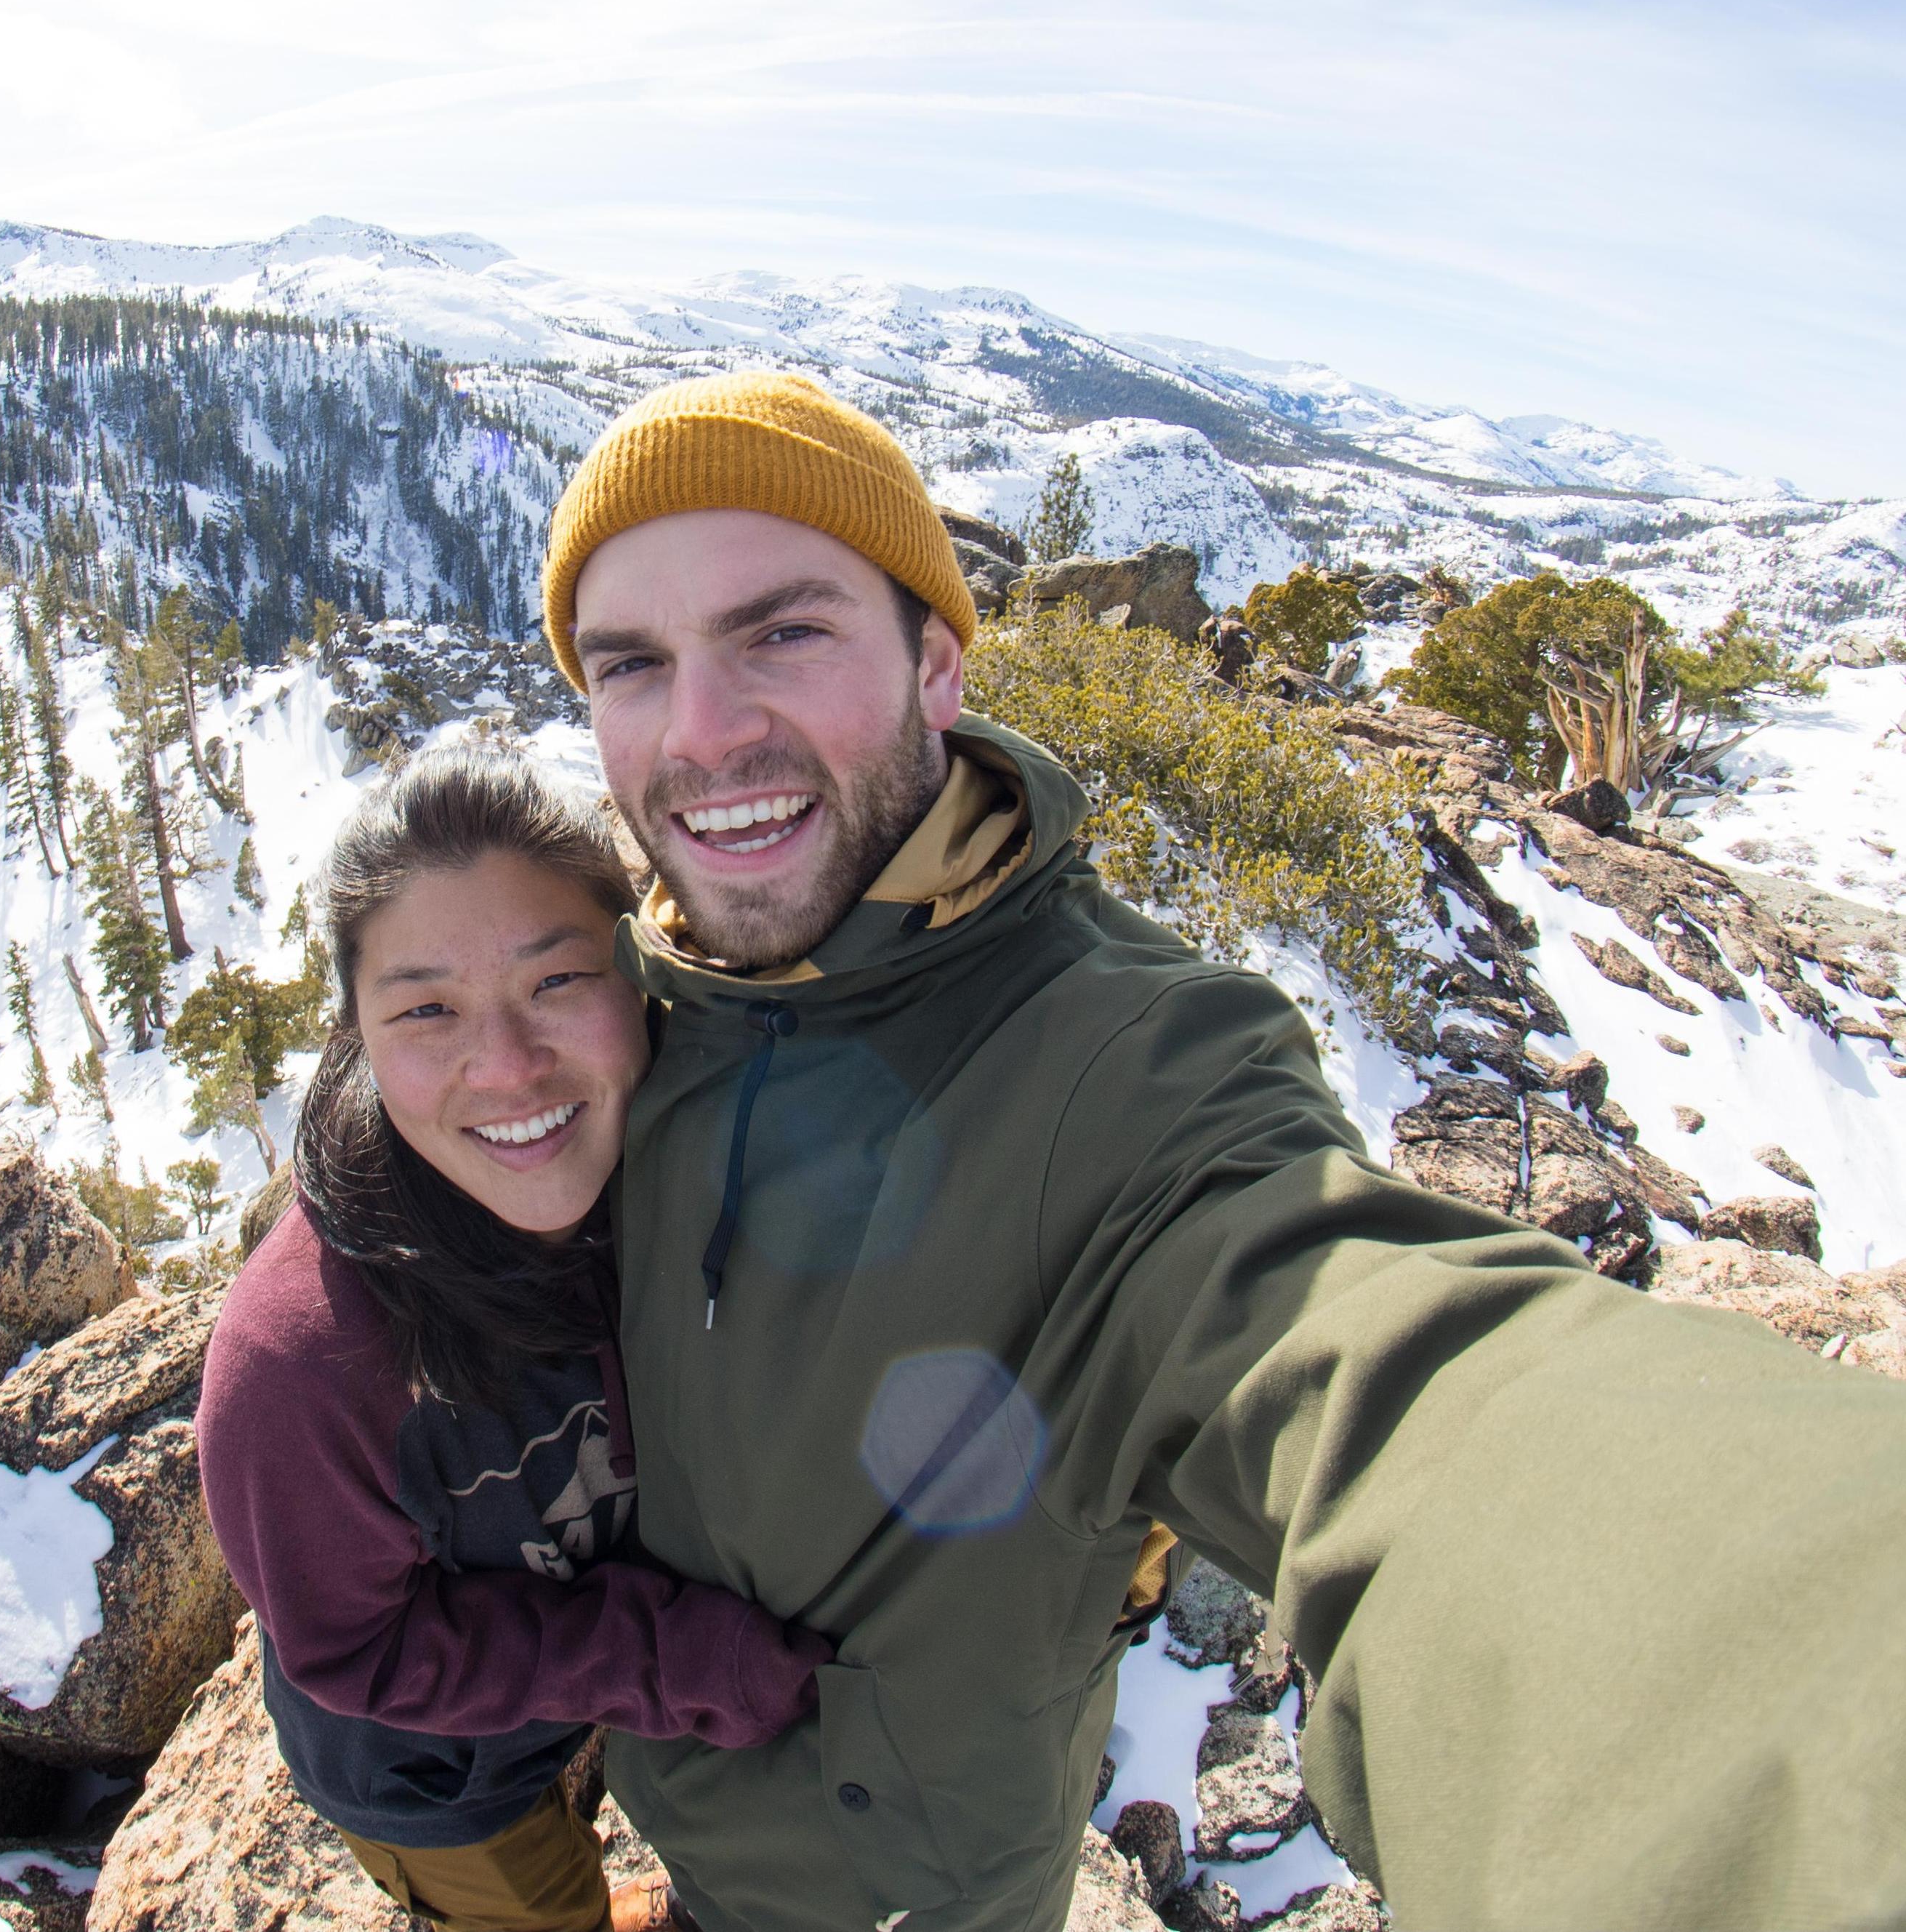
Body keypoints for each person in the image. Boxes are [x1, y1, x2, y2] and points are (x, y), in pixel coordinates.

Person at [537, 370, 1906, 1932]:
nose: (702, 734)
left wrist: (1803, 1724)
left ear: (937, 667)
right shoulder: (607, 1015)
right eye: (630, 663)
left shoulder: (1138, 1068)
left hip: (922, 1886)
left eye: (784, 632)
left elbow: (1384, 1377)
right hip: (687, 1821)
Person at [197, 750, 829, 1932]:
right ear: (357, 1038)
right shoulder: (302, 1367)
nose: (505, 1068)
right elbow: (358, 1652)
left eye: (557, 982)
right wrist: (668, 1660)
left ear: (641, 979)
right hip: (428, 1783)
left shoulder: (682, 1170)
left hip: (568, 1693)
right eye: (426, 1009)